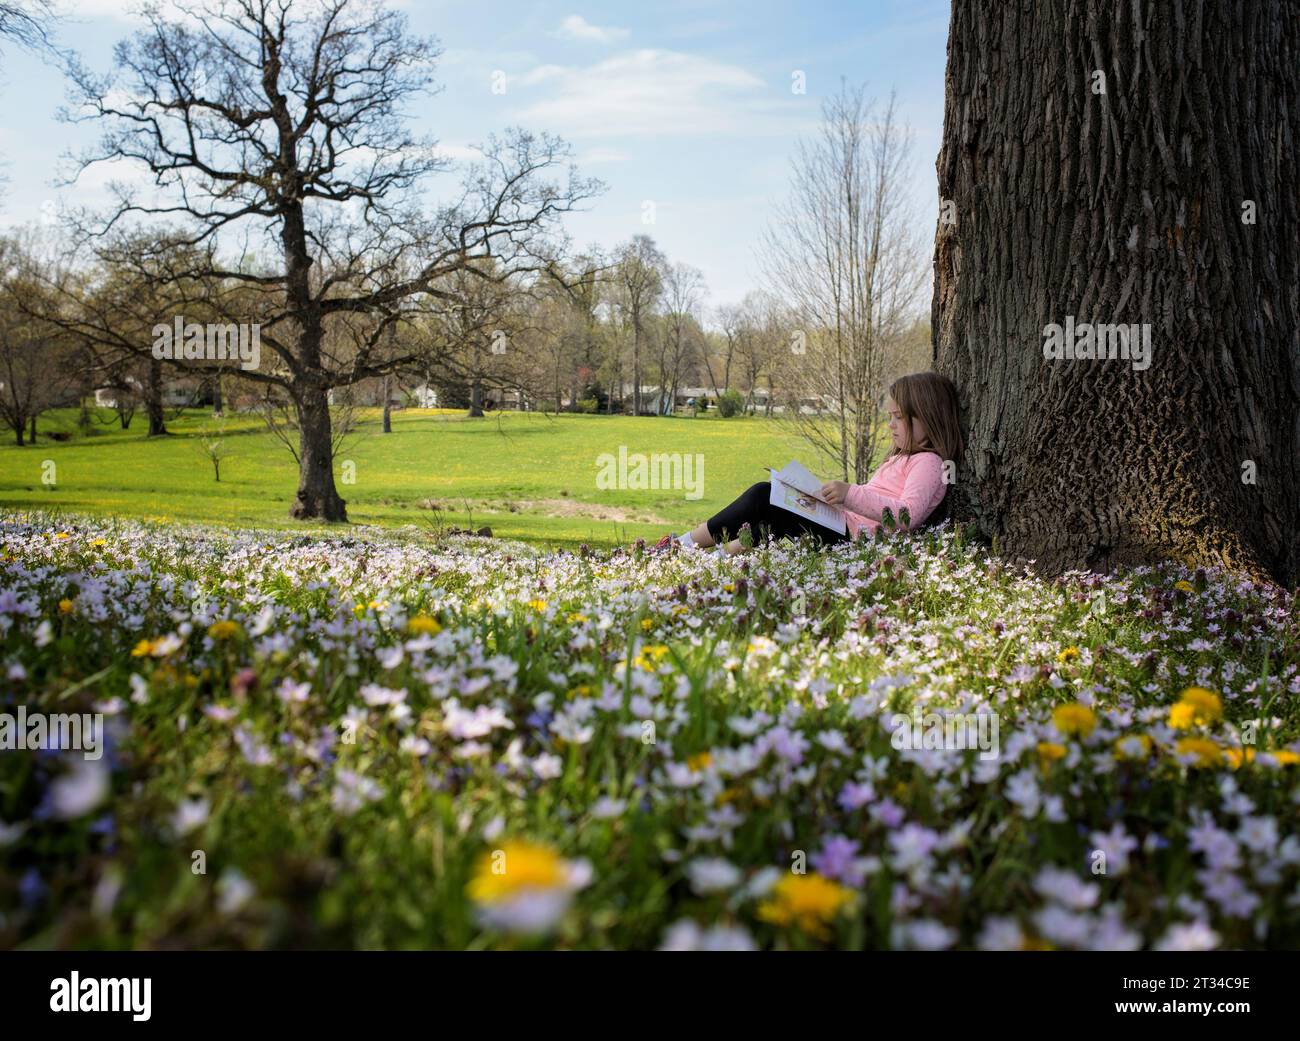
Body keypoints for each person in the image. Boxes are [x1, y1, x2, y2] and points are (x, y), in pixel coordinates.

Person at [649, 372, 963, 556]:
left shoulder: (930, 463)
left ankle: (682, 546)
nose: (891, 425)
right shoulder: (901, 458)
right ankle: (710, 558)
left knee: (763, 495)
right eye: (889, 417)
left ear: (927, 417)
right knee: (774, 515)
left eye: (899, 418)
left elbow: (905, 517)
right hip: (847, 526)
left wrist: (849, 494)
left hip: (857, 540)